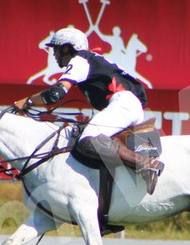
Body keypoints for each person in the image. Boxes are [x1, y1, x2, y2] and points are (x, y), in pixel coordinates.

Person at [14, 27, 164, 194]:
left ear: (66, 48)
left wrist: (28, 101)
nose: (54, 55)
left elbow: (56, 94)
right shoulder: (92, 59)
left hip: (123, 104)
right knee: (92, 137)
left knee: (88, 140)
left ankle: (146, 164)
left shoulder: (79, 60)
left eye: (55, 49)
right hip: (129, 106)